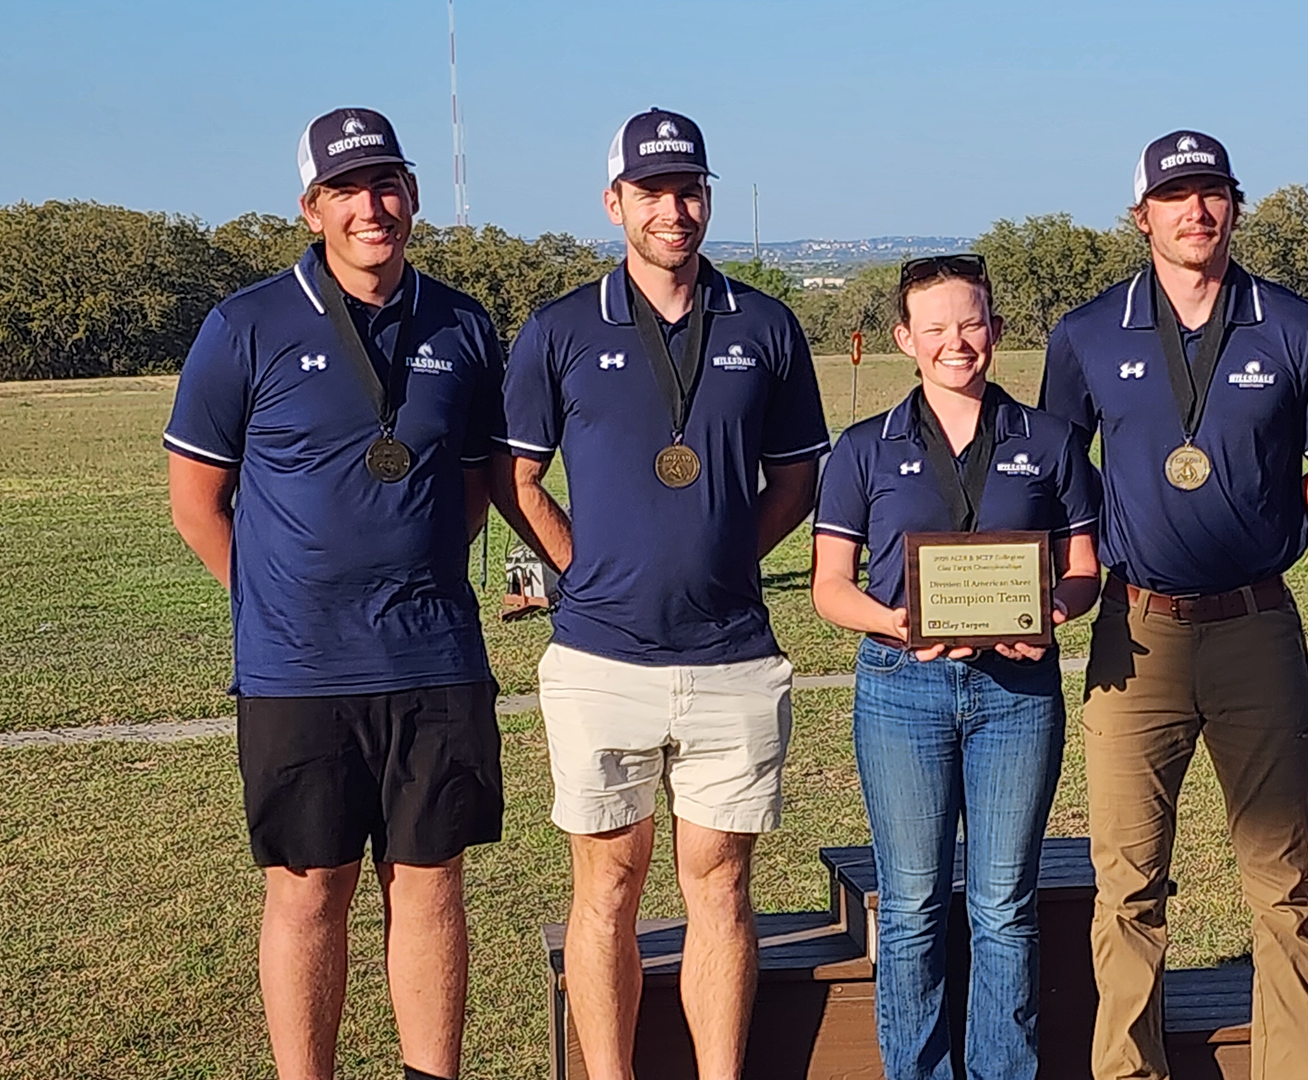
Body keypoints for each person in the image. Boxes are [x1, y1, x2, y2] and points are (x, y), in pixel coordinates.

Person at [165, 107, 505, 1080]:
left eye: (388, 183)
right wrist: (273, 598)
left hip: (434, 659)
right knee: (309, 889)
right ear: (312, 207)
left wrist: (415, 574)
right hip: (296, 670)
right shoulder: (246, 325)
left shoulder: (463, 324)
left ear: (412, 197)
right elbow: (197, 502)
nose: (373, 206)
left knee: (431, 885)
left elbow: (477, 484)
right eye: (349, 189)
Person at [493, 108, 829, 1080]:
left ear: (707, 198)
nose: (672, 208)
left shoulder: (762, 325)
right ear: (615, 203)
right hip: (600, 660)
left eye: (688, 189)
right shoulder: (560, 328)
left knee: (719, 887)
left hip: (732, 659)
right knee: (607, 887)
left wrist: (726, 554)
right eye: (651, 191)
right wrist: (579, 570)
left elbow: (795, 481)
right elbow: (516, 478)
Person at [1039, 130, 1308, 1080]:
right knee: (1128, 884)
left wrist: (1258, 523)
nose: (1197, 211)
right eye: (1176, 196)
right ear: (1141, 215)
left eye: (1213, 193)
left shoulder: (1299, 328)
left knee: (1281, 884)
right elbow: (1059, 482)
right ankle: (1127, 1072)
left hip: (1256, 627)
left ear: (1234, 205)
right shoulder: (1087, 333)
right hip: (1133, 635)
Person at [810, 254, 1103, 1080]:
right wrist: (895, 624)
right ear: (905, 339)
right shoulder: (865, 449)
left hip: (1017, 697)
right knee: (909, 908)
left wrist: (1054, 612)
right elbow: (830, 588)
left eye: (970, 323)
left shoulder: (1049, 441)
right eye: (935, 327)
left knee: (1004, 908)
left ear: (997, 331)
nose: (956, 342)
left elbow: (1084, 568)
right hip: (902, 693)